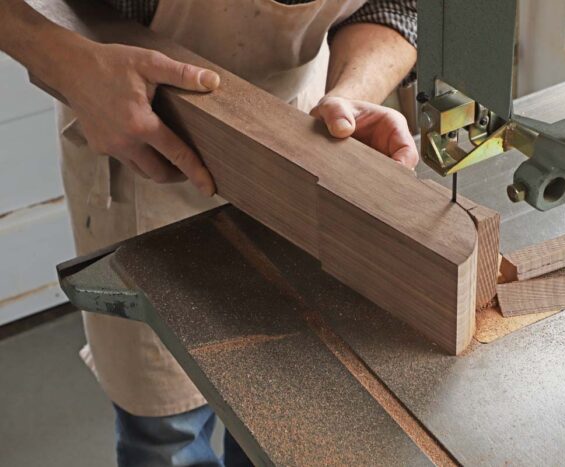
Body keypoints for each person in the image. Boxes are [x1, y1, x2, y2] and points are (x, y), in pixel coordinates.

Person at [1, 1, 419, 465]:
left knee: (278, 411)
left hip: (300, 138)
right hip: (136, 141)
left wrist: (354, 92)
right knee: (168, 436)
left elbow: (396, 6)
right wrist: (70, 65)